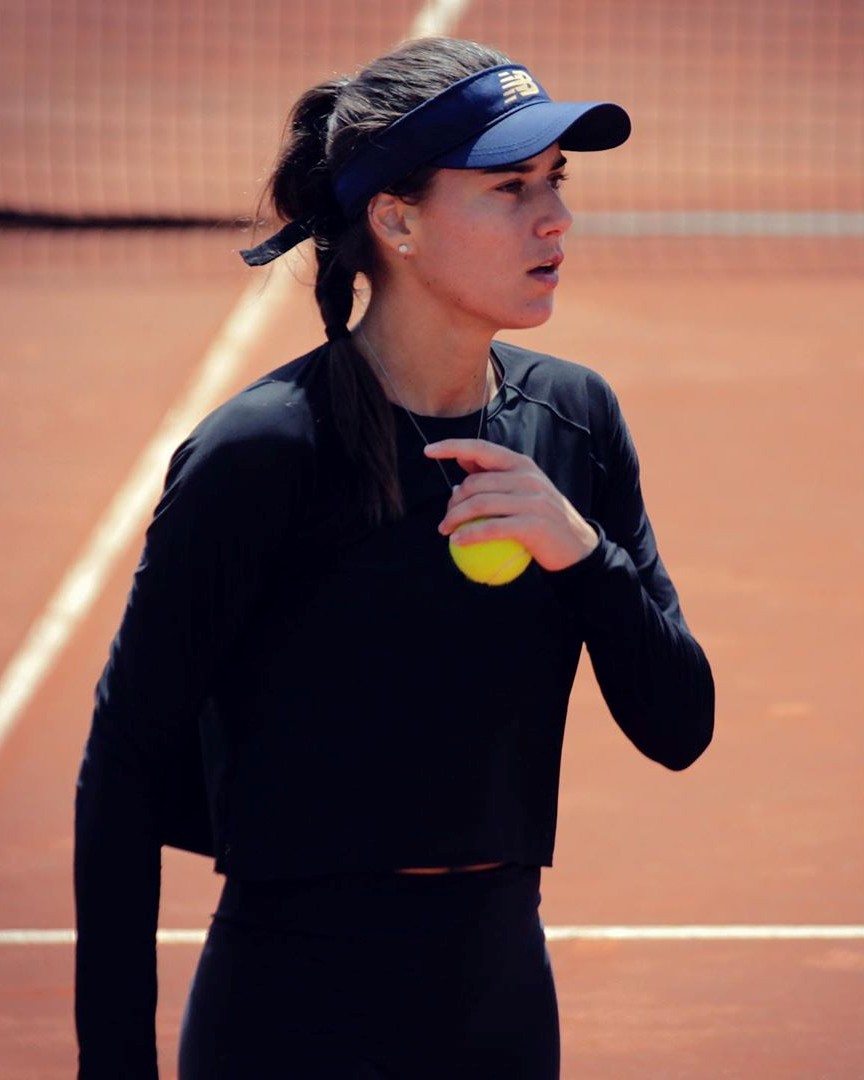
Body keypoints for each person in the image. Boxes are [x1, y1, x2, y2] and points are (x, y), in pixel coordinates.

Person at [74, 36, 714, 1080]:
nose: (554, 217)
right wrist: (113, 1063)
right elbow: (126, 761)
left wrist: (583, 554)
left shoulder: (574, 421)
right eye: (509, 187)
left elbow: (680, 727)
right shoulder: (263, 452)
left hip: (499, 997)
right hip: (292, 1008)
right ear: (397, 221)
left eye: (555, 180)